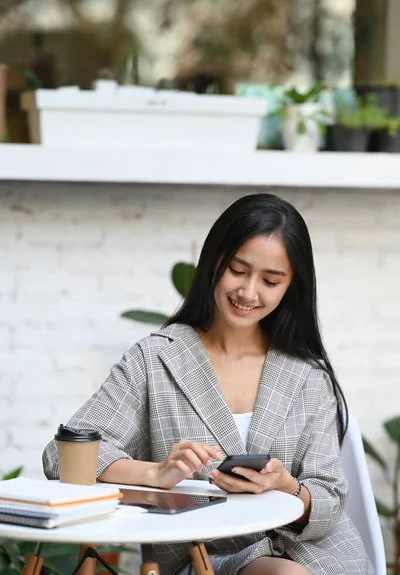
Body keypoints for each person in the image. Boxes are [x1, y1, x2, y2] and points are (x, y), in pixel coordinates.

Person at [43, 193, 373, 575]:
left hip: (315, 555)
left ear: (290, 287)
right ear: (214, 260)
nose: (249, 293)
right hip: (204, 557)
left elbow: (330, 498)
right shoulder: (157, 359)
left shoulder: (308, 374)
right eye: (237, 270)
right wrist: (155, 473)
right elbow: (61, 455)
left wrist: (286, 486)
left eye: (270, 280)